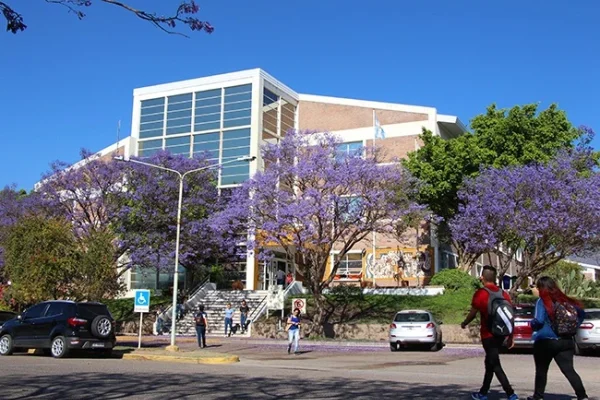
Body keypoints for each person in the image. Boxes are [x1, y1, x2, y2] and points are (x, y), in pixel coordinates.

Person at [461, 265, 518, 400]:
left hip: (488, 335)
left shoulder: (481, 293)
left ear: (482, 278)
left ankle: (511, 393)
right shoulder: (504, 294)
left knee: (495, 364)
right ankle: (483, 392)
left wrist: (464, 323)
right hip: (502, 334)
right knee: (489, 363)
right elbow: (510, 316)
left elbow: (473, 313)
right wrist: (511, 336)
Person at [527, 276, 588, 400]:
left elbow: (538, 320)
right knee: (569, 370)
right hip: (566, 340)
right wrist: (574, 326)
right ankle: (582, 396)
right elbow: (581, 314)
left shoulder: (542, 301)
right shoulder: (566, 300)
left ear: (541, 288)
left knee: (541, 371)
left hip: (545, 341)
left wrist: (532, 325)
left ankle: (538, 397)